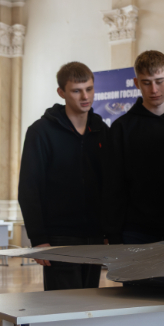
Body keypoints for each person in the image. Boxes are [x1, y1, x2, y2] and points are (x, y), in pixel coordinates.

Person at [18, 62, 109, 291]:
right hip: (59, 237)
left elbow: (110, 185)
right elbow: (29, 188)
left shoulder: (102, 131)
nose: (85, 97)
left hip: (95, 237)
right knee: (65, 306)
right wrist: (38, 238)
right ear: (61, 92)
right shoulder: (41, 132)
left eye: (89, 89)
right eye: (77, 91)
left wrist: (109, 231)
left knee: (90, 304)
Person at [105, 50, 164, 245]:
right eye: (146, 82)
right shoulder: (121, 128)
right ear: (136, 83)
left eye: (159, 81)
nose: (154, 89)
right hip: (135, 230)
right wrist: (112, 232)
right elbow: (113, 185)